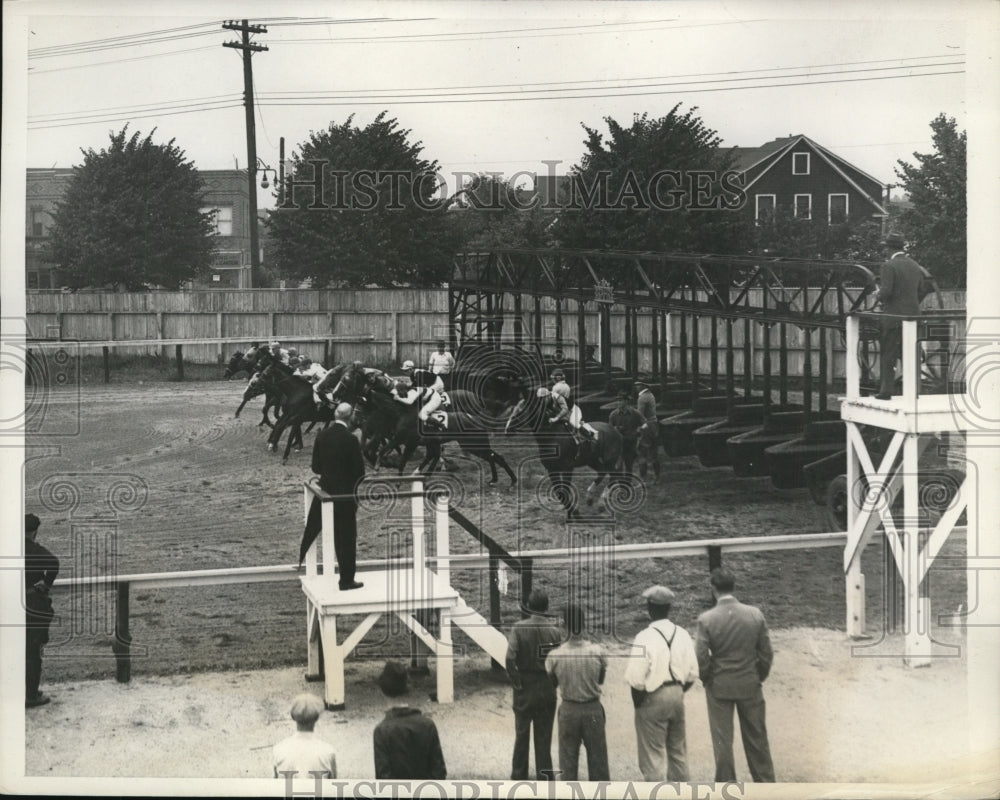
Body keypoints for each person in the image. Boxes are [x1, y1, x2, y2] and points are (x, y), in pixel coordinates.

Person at [695, 568, 775, 783]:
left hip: (720, 686)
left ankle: (726, 788)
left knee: (722, 743)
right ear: (734, 586)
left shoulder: (706, 619)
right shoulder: (754, 614)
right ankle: (767, 787)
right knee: (758, 739)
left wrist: (707, 678)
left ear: (713, 590)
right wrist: (759, 675)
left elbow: (701, 655)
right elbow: (766, 652)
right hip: (750, 683)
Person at [623, 585, 699, 782]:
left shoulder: (644, 636)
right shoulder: (682, 634)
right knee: (678, 752)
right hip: (677, 693)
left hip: (653, 696)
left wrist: (639, 705)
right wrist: (677, 691)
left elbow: (636, 679)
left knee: (652, 755)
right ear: (668, 608)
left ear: (650, 608)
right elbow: (692, 673)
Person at [297, 402, 365, 590]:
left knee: (318, 529)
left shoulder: (322, 435)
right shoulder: (351, 439)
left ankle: (311, 570)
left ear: (335, 414)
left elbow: (316, 468)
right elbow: (360, 472)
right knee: (346, 538)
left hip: (325, 493)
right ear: (350, 417)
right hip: (345, 496)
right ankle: (346, 580)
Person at [544, 603, 610, 782]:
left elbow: (554, 683)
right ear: (584, 624)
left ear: (564, 626)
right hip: (593, 709)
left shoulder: (555, 656)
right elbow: (601, 679)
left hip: (569, 710)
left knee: (567, 764)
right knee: (599, 764)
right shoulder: (598, 652)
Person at [506, 589, 564, 781]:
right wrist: (553, 683)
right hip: (546, 685)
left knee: (521, 735)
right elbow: (559, 662)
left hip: (525, 685)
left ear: (529, 607)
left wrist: (516, 681)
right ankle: (544, 778)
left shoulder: (518, 628)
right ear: (546, 608)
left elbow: (510, 658)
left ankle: (518, 776)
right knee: (544, 737)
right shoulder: (555, 632)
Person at [875, 232, 932, 400]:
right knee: (911, 354)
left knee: (889, 354)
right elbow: (922, 290)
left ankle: (886, 391)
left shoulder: (889, 266)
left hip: (893, 318)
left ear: (888, 248)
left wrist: (877, 295)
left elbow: (886, 292)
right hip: (913, 317)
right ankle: (913, 391)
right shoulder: (915, 265)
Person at [373, 661, 447, 780]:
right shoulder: (428, 725)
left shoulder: (382, 731)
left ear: (383, 692)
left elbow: (383, 779)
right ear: (407, 690)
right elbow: (439, 773)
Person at [25, 513, 58, 708]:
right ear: (35, 532)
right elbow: (54, 563)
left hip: (10, 603)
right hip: (32, 603)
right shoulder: (35, 550)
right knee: (33, 649)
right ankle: (31, 695)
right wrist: (45, 584)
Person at [272, 693, 337, 779]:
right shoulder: (328, 752)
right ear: (316, 717)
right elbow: (333, 786)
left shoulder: (278, 750)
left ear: (293, 717)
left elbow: (274, 786)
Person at [608, 388, 645, 475]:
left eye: (621, 401)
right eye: (618, 401)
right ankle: (621, 484)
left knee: (629, 466)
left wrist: (639, 430)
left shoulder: (635, 413)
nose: (619, 403)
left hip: (630, 443)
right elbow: (609, 429)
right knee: (618, 466)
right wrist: (614, 429)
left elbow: (645, 424)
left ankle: (628, 483)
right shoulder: (613, 414)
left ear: (626, 401)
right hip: (618, 444)